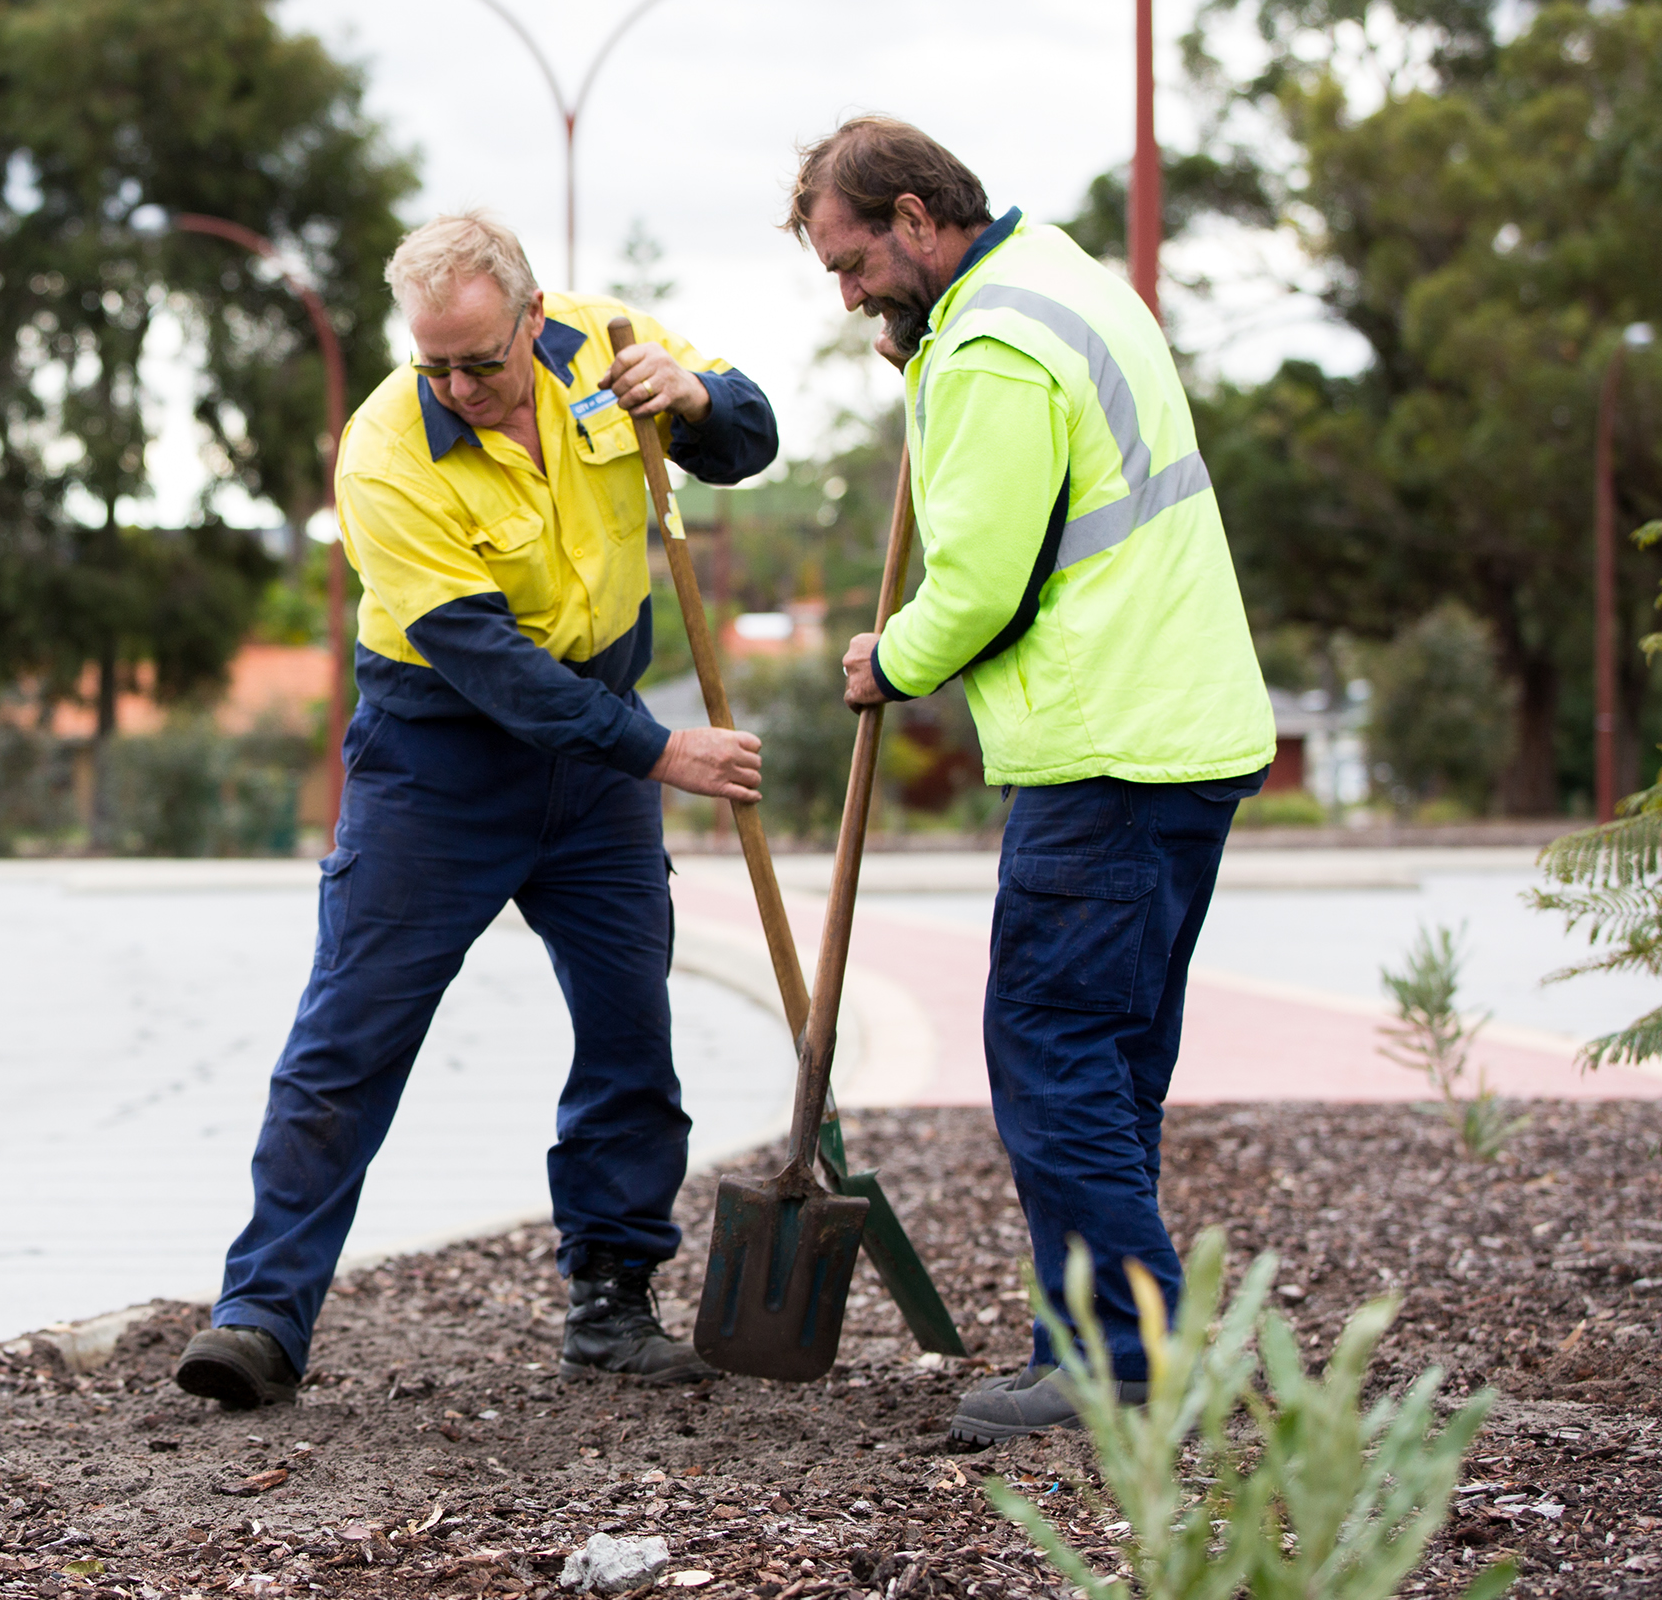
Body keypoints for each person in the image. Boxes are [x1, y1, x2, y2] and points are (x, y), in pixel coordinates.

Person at [173, 211, 780, 1409]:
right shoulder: (387, 452)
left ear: (534, 317)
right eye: (432, 362)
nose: (457, 385)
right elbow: (491, 665)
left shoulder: (607, 346)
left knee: (628, 1030)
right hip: (440, 761)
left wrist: (701, 398)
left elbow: (749, 442)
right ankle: (262, 1315)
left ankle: (611, 1299)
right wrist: (664, 752)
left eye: (480, 362)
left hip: (596, 765)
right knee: (351, 1037)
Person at [785, 117, 1276, 1445]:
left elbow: (985, 586)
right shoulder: (1058, 282)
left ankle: (1123, 1360)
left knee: (1055, 1055)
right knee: (1113, 1066)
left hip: (1103, 747)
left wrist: (886, 658)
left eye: (852, 263)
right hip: (1187, 735)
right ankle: (1122, 1337)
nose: (847, 296)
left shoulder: (991, 347)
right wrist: (913, 354)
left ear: (911, 214)